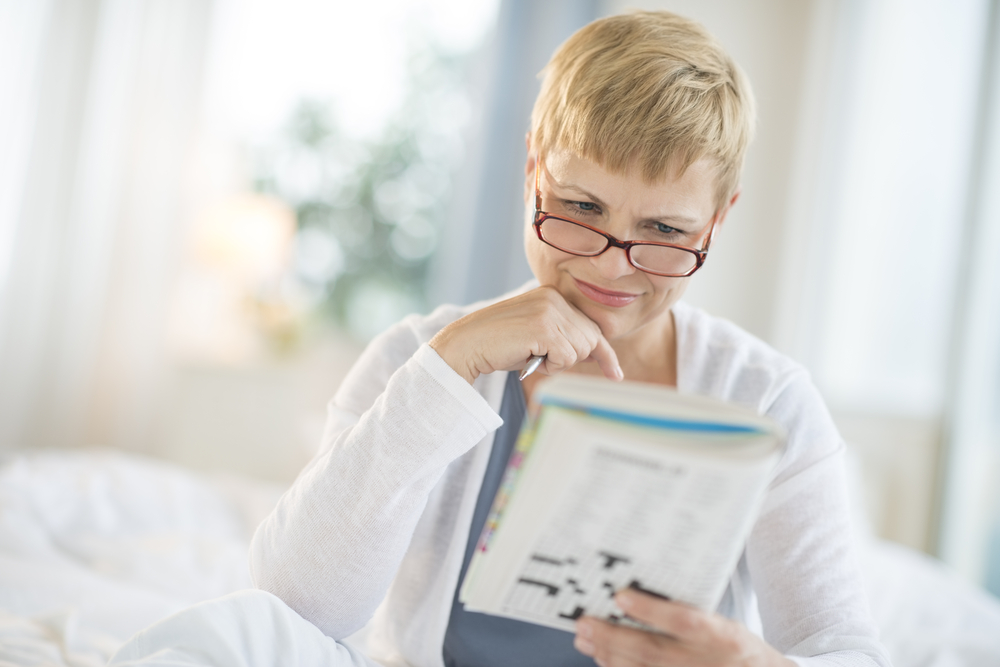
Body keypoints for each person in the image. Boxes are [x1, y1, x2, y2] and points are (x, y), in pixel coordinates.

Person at [244, 10, 891, 667]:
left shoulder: (767, 399)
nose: (612, 265)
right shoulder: (414, 356)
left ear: (718, 221)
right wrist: (446, 369)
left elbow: (845, 649)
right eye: (582, 208)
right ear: (532, 169)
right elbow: (295, 604)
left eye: (665, 230)